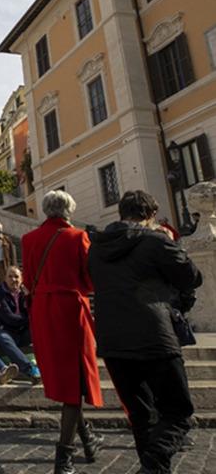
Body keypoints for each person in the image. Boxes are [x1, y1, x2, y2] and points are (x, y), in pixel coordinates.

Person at [89, 190, 202, 474]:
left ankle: (153, 469)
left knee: (141, 416)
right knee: (178, 413)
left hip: (113, 341)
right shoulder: (155, 241)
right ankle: (153, 463)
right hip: (155, 336)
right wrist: (168, 242)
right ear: (150, 215)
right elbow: (191, 277)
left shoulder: (97, 247)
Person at [22, 190, 103, 474]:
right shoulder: (78, 236)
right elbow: (89, 281)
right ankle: (64, 455)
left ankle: (89, 439)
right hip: (70, 309)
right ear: (68, 209)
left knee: (67, 380)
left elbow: (28, 279)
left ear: (46, 210)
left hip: (42, 312)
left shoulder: (28, 239)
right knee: (75, 381)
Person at [0, 266, 41, 384]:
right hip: (6, 331)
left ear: (22, 279)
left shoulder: (26, 292)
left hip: (23, 332)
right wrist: (28, 319)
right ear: (5, 278)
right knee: (2, 337)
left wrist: (29, 297)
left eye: (16, 277)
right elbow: (9, 318)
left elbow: (36, 312)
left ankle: (50, 364)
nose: (14, 279)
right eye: (10, 276)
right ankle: (29, 369)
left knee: (40, 327)